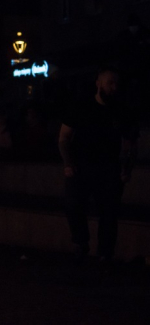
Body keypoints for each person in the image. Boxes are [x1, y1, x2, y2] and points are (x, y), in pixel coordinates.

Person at [58, 66, 138, 267]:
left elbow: (130, 143)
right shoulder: (81, 106)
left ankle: (105, 254)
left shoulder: (122, 110)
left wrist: (126, 168)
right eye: (110, 82)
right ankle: (80, 243)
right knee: (73, 204)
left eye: (116, 83)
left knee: (109, 212)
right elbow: (64, 138)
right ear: (98, 83)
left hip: (109, 168)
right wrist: (68, 163)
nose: (114, 87)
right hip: (81, 166)